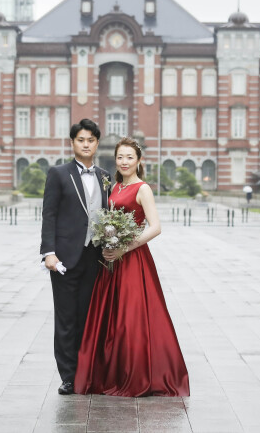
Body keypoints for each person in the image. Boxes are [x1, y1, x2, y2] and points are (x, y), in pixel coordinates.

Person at [74, 137, 189, 397]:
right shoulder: (113, 186)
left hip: (133, 259)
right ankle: (110, 372)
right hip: (110, 260)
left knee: (131, 318)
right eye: (120, 157)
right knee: (112, 317)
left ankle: (135, 374)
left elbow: (156, 227)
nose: (124, 162)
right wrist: (106, 243)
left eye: (129, 157)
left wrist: (125, 247)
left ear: (138, 161)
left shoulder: (142, 188)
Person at [40, 119, 110, 396]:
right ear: (73, 143)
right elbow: (49, 214)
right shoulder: (58, 174)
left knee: (90, 318)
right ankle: (68, 377)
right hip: (65, 260)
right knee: (67, 319)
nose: (86, 144)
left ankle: (88, 373)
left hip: (96, 258)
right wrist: (49, 253)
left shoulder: (105, 176)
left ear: (96, 144)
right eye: (81, 140)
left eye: (91, 140)